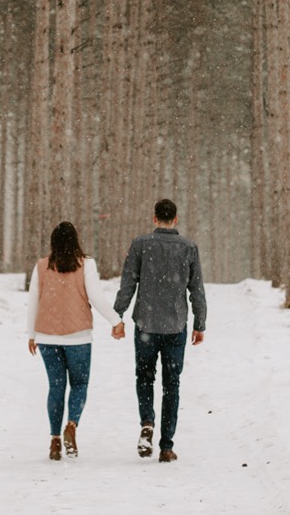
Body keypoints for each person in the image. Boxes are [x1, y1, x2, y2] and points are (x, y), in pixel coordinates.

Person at [111, 198, 208, 463]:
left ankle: (147, 422)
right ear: (175, 219)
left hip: (146, 324)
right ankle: (166, 445)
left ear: (155, 219)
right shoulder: (189, 248)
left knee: (144, 377)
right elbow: (196, 288)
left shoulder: (141, 245)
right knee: (171, 385)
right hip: (175, 326)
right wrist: (200, 323)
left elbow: (128, 282)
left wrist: (116, 315)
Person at [25, 221, 121, 461]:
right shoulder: (86, 264)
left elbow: (33, 301)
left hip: (47, 336)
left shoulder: (41, 266)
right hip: (78, 336)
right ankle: (71, 425)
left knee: (56, 387)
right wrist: (115, 321)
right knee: (79, 384)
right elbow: (96, 297)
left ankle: (55, 441)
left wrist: (31, 334)